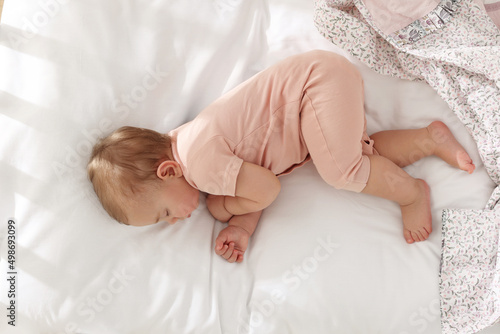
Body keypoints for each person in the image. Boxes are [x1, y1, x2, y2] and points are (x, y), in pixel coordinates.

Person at [87, 50, 475, 263]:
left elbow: (266, 188)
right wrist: (241, 228)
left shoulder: (199, 164)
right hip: (314, 95)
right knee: (358, 155)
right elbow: (254, 180)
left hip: (313, 89)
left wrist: (224, 207)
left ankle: (410, 193)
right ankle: (428, 139)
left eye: (164, 213)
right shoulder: (187, 145)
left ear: (168, 170)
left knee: (342, 172)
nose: (175, 221)